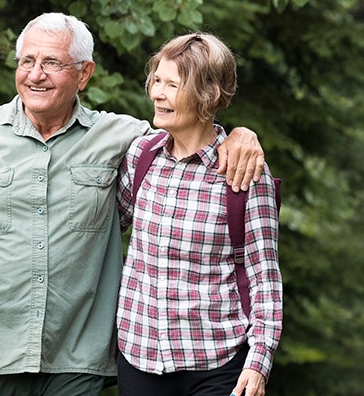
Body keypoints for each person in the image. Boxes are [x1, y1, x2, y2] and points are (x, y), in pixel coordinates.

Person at [0, 13, 264, 396]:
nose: (35, 75)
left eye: (51, 63)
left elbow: (188, 134)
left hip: (74, 364)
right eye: (27, 62)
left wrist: (239, 135)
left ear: (84, 74)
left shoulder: (124, 139)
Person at [115, 33, 282, 396]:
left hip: (217, 365)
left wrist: (259, 361)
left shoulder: (244, 174)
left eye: (172, 85)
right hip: (138, 355)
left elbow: (264, 278)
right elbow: (105, 227)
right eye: (156, 81)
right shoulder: (141, 156)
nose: (158, 94)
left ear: (208, 95)